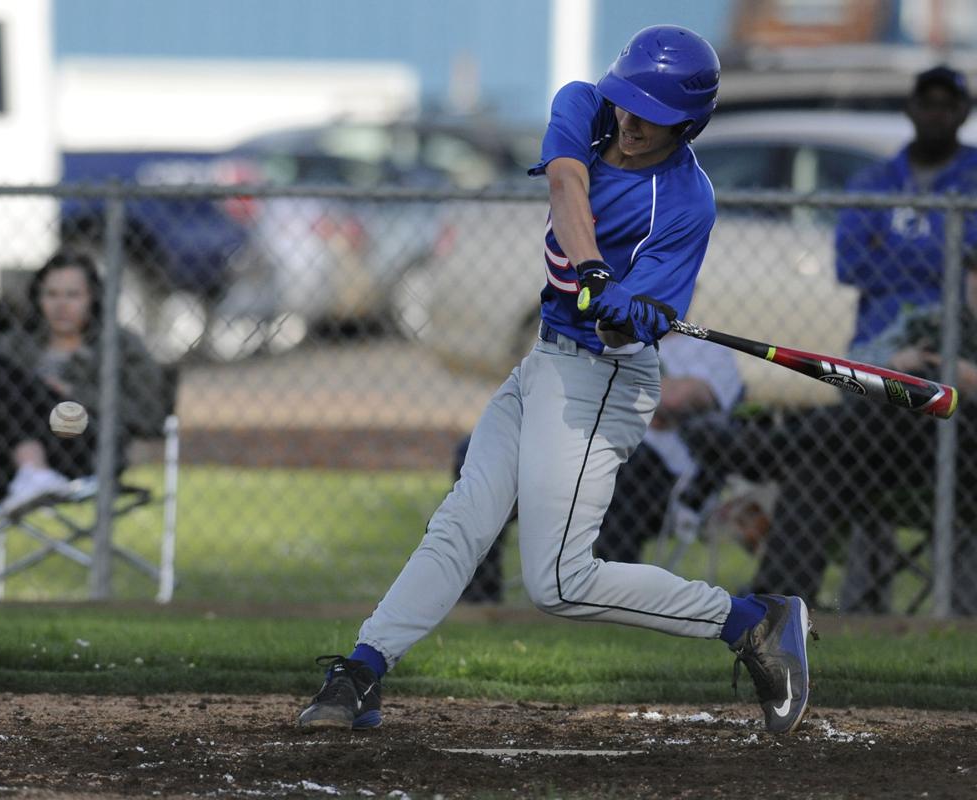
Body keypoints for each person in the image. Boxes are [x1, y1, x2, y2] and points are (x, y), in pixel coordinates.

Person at [296, 25, 813, 736]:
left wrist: (628, 316)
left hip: (602, 382)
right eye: (629, 103)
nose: (632, 123)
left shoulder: (685, 202)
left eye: (653, 116)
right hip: (544, 362)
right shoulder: (584, 105)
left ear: (688, 124)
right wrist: (595, 269)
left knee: (560, 582)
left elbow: (628, 333)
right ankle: (363, 670)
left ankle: (751, 621)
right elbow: (568, 183)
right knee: (464, 519)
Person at [0, 251, 164, 600]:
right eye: (51, 294)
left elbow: (148, 413)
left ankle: (35, 469)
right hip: (8, 450)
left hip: (81, 443)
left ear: (93, 298)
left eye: (73, 295)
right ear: (38, 298)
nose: (61, 305)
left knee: (23, 386)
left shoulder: (120, 346)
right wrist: (26, 397)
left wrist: (73, 394)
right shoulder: (16, 345)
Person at [749, 258, 977, 614]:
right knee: (817, 470)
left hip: (964, 456)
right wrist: (897, 361)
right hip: (892, 452)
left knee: (881, 418)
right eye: (974, 273)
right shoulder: (934, 322)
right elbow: (857, 362)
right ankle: (779, 604)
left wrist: (964, 376)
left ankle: (773, 445)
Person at [454, 334, 743, 602]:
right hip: (573, 450)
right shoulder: (598, 334)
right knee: (482, 448)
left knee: (622, 460)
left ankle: (615, 600)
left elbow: (677, 399)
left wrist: (601, 390)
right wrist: (645, 400)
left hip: (658, 479)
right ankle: (479, 597)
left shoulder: (711, 351)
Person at [836, 64, 977, 354]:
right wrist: (946, 256)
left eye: (947, 105)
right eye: (927, 104)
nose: (936, 114)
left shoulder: (972, 179)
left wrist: (889, 249)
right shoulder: (874, 181)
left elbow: (971, 261)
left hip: (960, 343)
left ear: (964, 112)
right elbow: (849, 265)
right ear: (910, 109)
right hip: (879, 337)